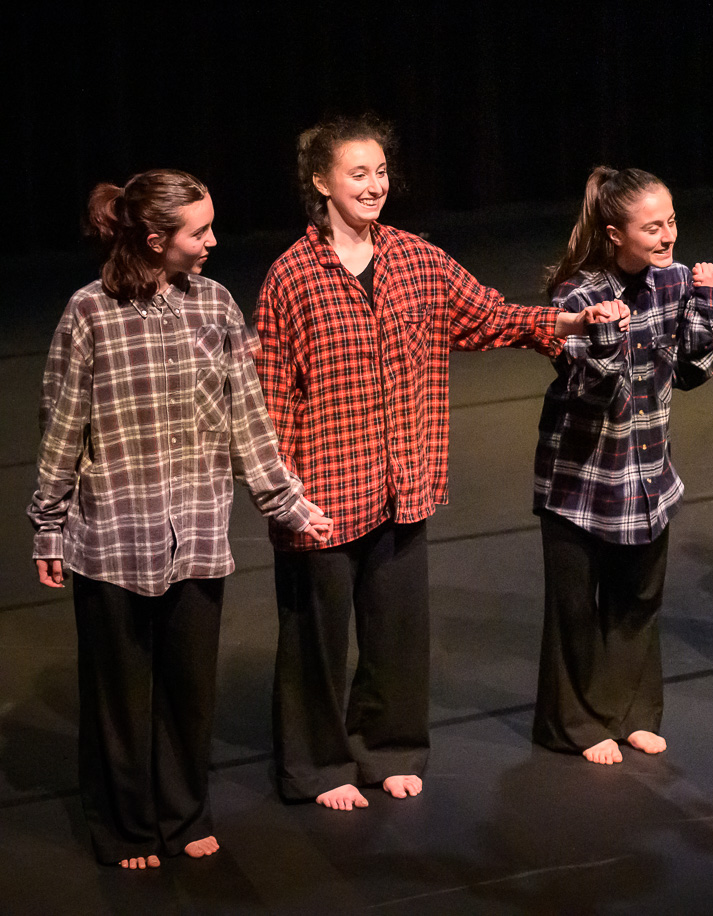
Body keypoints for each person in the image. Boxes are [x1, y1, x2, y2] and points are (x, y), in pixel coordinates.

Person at [252, 115, 602, 810]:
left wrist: (564, 323)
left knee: (397, 633)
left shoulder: (416, 258)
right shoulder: (291, 276)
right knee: (315, 644)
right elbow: (271, 397)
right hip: (321, 492)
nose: (375, 184)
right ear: (321, 182)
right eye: (359, 173)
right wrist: (282, 495)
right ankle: (317, 767)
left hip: (402, 483)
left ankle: (386, 749)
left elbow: (488, 315)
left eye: (381, 171)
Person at [28, 171, 331, 869]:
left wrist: (286, 502)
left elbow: (247, 419)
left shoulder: (217, 306)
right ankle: (126, 825)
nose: (213, 242)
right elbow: (61, 428)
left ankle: (182, 809)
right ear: (156, 238)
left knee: (189, 687)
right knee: (120, 695)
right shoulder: (89, 313)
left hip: (194, 531)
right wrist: (48, 524)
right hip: (112, 537)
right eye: (200, 231)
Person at [532, 166, 713, 764]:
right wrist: (603, 336)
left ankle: (633, 713)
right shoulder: (578, 295)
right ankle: (577, 723)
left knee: (638, 601)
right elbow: (595, 391)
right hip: (583, 479)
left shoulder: (673, 281)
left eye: (671, 221)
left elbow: (693, 371)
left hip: (648, 471)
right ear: (615, 233)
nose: (668, 236)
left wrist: (710, 301)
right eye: (653, 227)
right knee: (576, 611)